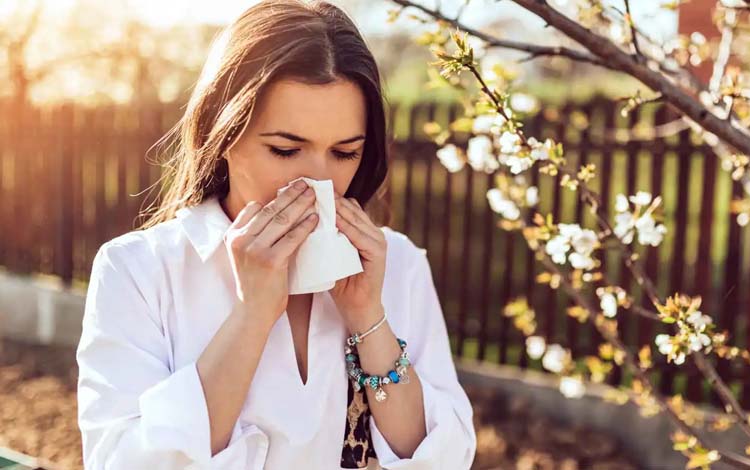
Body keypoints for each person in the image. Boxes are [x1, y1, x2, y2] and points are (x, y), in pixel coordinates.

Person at [75, 1, 476, 469]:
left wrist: (369, 318)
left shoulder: (398, 264)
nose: (316, 183)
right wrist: (251, 317)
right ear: (220, 134)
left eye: (344, 153)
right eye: (286, 150)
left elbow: (444, 459)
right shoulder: (140, 271)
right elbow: (122, 462)